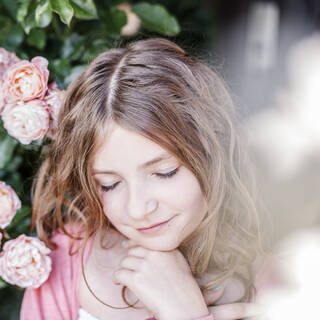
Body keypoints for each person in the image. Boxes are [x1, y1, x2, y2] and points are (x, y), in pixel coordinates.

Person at [20, 38, 267, 320]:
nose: (137, 210)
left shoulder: (282, 274)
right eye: (109, 184)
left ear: (212, 150)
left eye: (164, 173)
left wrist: (185, 314)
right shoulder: (63, 263)